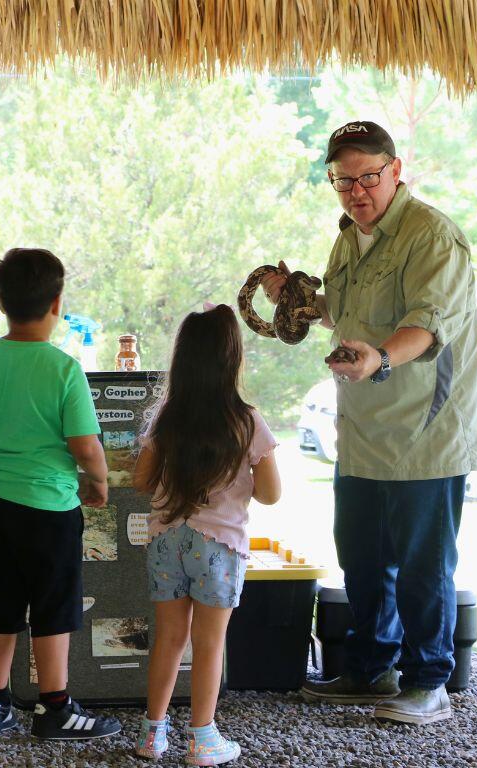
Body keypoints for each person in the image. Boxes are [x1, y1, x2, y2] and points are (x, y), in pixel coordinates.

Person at [263, 121, 477, 724]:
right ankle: (369, 669)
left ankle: (428, 681)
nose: (357, 191)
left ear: (396, 171)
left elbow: (428, 323)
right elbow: (340, 307)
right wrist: (293, 294)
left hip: (427, 427)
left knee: (422, 561)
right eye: (344, 181)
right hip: (363, 425)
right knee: (361, 555)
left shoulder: (432, 236)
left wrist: (383, 355)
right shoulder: (349, 237)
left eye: (368, 177)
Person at [0, 247, 121, 742]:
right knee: (52, 605)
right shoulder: (64, 370)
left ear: (1, 303)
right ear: (57, 302)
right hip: (49, 509)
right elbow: (85, 446)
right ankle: (54, 709)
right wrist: (101, 482)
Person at [131, 304, 281, 765]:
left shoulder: (166, 418)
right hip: (220, 546)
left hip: (167, 540)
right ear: (232, 358)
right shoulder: (246, 420)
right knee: (209, 642)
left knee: (169, 637)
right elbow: (272, 494)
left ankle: (152, 735)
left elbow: (141, 481)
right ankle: (202, 739)